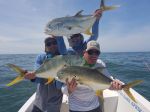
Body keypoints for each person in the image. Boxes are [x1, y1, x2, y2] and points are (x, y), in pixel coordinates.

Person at [62, 40, 123, 112]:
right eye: (90, 52)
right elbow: (63, 88)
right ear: (84, 52)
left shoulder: (100, 64)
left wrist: (115, 85)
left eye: (97, 53)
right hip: (76, 108)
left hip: (95, 106)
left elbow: (108, 81)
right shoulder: (74, 65)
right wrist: (69, 90)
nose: (94, 55)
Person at [24, 36, 66, 112]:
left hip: (54, 104)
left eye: (54, 43)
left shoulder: (64, 57)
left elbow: (59, 85)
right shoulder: (41, 57)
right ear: (45, 47)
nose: (52, 45)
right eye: (48, 44)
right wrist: (32, 77)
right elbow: (38, 79)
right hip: (39, 102)